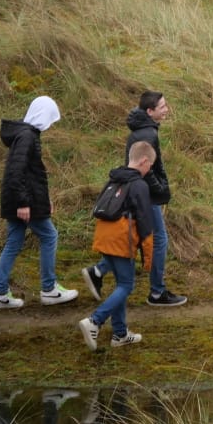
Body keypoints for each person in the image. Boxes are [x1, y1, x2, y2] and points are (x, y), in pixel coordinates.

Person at [88, 92, 187, 306]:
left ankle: (98, 270)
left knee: (136, 237)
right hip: (146, 194)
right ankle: (157, 292)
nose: (167, 109)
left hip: (140, 190)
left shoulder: (142, 128)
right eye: (162, 106)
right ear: (150, 111)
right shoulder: (148, 134)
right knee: (158, 239)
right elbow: (146, 167)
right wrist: (161, 189)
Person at [0, 95, 79, 309]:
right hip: (23, 201)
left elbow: (32, 174)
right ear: (43, 115)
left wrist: (45, 200)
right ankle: (49, 289)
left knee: (13, 242)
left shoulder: (24, 134)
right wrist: (23, 203)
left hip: (22, 199)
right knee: (50, 236)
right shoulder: (27, 136)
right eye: (50, 118)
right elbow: (15, 172)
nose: (50, 124)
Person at [77, 140, 157, 351]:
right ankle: (94, 321)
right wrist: (148, 260)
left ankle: (120, 334)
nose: (149, 170)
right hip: (122, 240)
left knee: (121, 285)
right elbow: (146, 224)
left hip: (103, 236)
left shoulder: (115, 178)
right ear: (144, 161)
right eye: (150, 166)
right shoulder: (139, 185)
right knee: (126, 286)